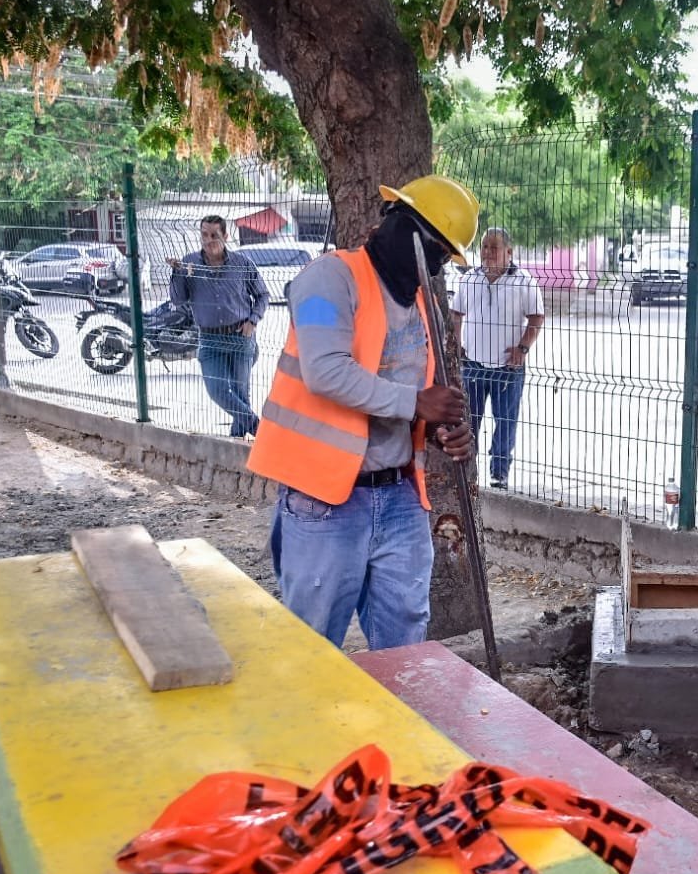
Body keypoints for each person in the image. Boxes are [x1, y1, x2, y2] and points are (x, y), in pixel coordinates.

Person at [246, 175, 478, 650]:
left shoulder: (419, 302)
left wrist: (434, 427)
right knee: (313, 646)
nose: (431, 264)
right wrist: (416, 402)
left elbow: (404, 388)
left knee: (404, 643)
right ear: (395, 222)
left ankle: (391, 724)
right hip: (325, 501)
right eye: (430, 247)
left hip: (398, 497)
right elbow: (325, 371)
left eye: (441, 256)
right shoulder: (327, 279)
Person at [449, 227, 545, 489]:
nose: (488, 253)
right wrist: (458, 344)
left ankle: (499, 475)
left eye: (494, 247)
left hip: (508, 369)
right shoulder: (469, 279)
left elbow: (537, 317)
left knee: (505, 423)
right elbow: (456, 314)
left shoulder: (524, 281)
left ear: (509, 252)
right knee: (469, 421)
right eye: (485, 247)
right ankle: (468, 474)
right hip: (474, 366)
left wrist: (522, 349)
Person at [168, 215, 270, 438]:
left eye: (214, 235)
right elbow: (177, 300)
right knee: (218, 391)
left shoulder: (242, 264)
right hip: (209, 339)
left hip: (240, 337)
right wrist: (177, 272)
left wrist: (253, 321)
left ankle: (237, 443)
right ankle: (259, 429)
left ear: (226, 236)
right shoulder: (190, 263)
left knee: (241, 393)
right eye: (204, 235)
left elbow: (262, 295)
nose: (209, 240)